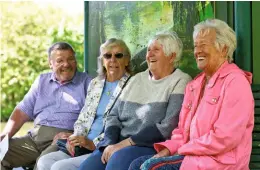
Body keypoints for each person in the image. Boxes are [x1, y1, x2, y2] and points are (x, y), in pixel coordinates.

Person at [129, 19, 254, 170]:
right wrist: (168, 149)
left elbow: (225, 137)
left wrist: (184, 149)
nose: (197, 51)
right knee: (137, 164)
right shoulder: (194, 85)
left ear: (223, 49)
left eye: (203, 45)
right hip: (193, 158)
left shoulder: (236, 82)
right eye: (196, 46)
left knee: (151, 167)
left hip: (220, 163)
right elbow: (182, 131)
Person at [78, 32, 192, 170]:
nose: (149, 54)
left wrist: (124, 144)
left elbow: (168, 126)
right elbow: (113, 115)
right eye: (149, 50)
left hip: (147, 145)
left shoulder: (180, 80)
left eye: (156, 50)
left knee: (117, 162)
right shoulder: (136, 79)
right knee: (87, 167)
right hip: (118, 142)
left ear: (172, 56)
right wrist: (109, 143)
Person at [36, 38, 132, 170]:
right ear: (102, 61)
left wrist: (93, 143)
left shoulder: (132, 85)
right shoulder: (96, 83)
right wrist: (76, 137)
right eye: (107, 55)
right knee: (45, 161)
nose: (113, 60)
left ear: (127, 60)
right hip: (82, 146)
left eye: (118, 55)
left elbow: (124, 125)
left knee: (59, 167)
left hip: (103, 147)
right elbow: (84, 116)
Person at [0, 42, 92, 170]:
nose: (66, 64)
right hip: (34, 139)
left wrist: (74, 134)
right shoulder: (41, 81)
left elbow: (92, 117)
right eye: (60, 60)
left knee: (42, 163)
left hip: (63, 140)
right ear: (50, 64)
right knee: (1, 154)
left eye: (70, 59)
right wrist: (4, 135)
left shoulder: (87, 83)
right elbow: (22, 111)